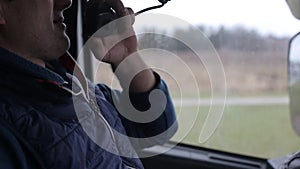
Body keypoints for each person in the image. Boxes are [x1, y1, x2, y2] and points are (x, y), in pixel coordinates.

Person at [0, 0, 178, 168]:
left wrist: (126, 58)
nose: (66, 2)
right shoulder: (8, 127)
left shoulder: (70, 85)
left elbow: (156, 127)